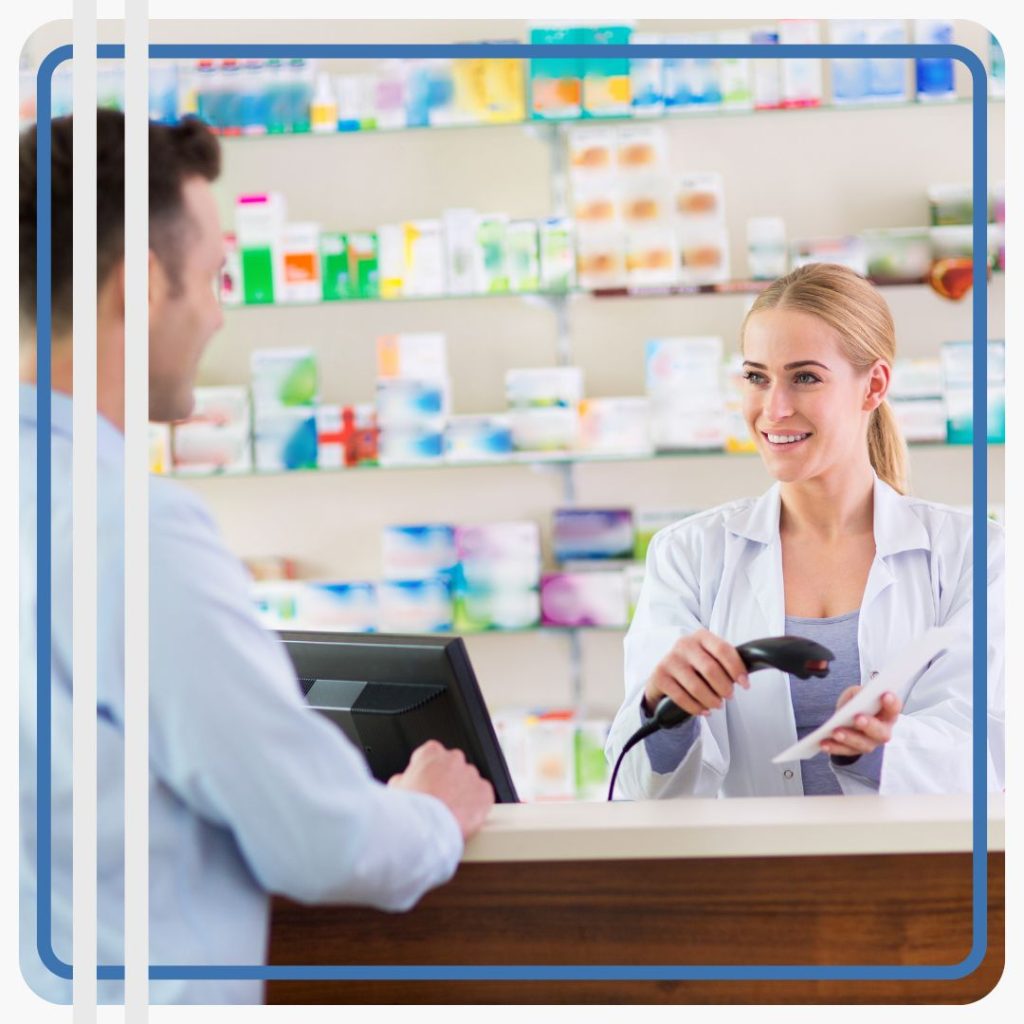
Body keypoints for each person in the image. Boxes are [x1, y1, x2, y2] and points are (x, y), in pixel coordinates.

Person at [19, 109, 494, 1005]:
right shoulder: (131, 527)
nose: (219, 310)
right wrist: (430, 809)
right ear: (143, 285)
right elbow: (318, 840)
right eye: (212, 277)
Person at [606, 263, 1004, 800]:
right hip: (748, 875)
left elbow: (992, 753)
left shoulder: (976, 555)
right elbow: (640, 790)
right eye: (756, 376)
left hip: (915, 875)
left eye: (806, 377)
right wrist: (663, 708)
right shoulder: (689, 554)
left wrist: (878, 747)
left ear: (875, 385)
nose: (774, 408)